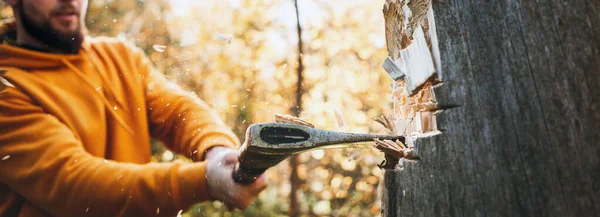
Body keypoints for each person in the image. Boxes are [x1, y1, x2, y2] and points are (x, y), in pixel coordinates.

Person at [0, 0, 268, 216]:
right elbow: (74, 184)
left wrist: (217, 151)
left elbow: (177, 110)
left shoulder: (118, 56)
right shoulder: (7, 87)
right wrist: (204, 181)